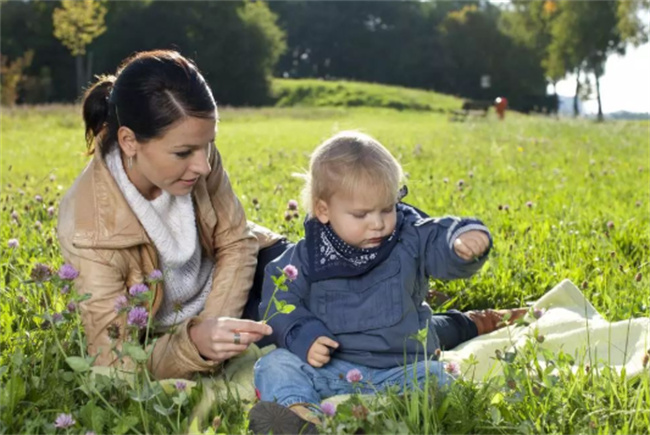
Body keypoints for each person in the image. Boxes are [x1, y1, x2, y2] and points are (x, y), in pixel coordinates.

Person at [249, 131, 526, 434]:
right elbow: (279, 298)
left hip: (401, 369)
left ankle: (396, 412)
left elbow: (435, 237)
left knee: (442, 377)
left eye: (386, 208)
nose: (378, 223)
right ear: (323, 210)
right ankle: (301, 417)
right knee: (274, 365)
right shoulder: (306, 256)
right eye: (361, 214)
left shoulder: (407, 236)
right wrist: (303, 336)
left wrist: (460, 241)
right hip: (330, 369)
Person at [57, 49, 289, 380]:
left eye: (207, 145)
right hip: (170, 335)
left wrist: (218, 327)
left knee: (323, 281)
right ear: (129, 142)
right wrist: (196, 343)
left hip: (234, 284)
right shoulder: (86, 229)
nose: (203, 166)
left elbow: (237, 242)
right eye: (183, 153)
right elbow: (114, 362)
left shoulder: (195, 149)